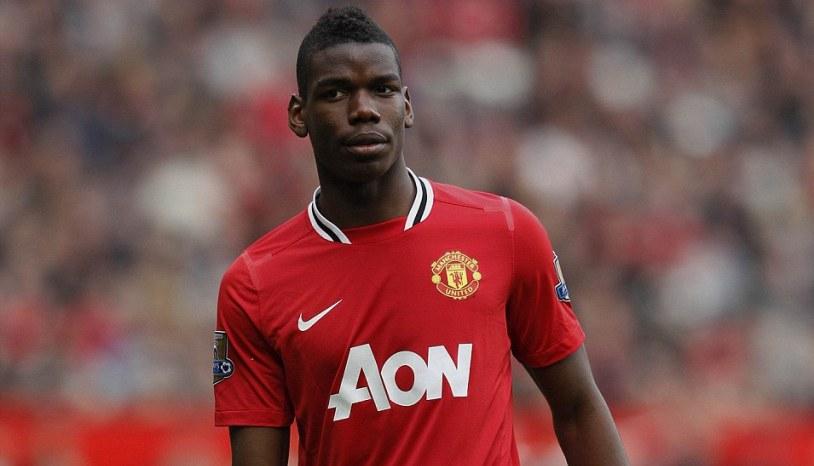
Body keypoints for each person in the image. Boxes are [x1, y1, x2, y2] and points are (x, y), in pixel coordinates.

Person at [214, 6, 629, 466]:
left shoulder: (505, 231)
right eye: (336, 93)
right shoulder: (255, 284)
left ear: (407, 106)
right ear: (298, 115)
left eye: (382, 89)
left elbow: (578, 408)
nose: (363, 109)